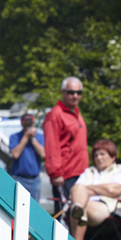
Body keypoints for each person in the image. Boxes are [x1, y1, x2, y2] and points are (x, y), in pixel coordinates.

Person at [68, 139, 121, 240]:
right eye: (96, 155)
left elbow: (113, 190)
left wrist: (86, 190)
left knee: (79, 205)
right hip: (86, 208)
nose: (98, 158)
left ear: (113, 157)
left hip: (111, 209)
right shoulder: (88, 172)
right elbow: (74, 192)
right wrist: (95, 190)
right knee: (79, 204)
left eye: (102, 154)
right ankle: (78, 211)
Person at [43, 76, 88, 216]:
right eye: (71, 92)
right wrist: (56, 173)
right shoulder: (55, 115)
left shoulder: (76, 113)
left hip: (80, 174)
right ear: (63, 93)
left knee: (79, 214)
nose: (75, 96)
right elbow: (52, 146)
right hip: (65, 175)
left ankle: (76, 239)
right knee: (65, 216)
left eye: (78, 92)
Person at [9, 113, 46, 202]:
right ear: (22, 124)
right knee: (18, 207)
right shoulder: (15, 137)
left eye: (30, 124)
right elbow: (15, 154)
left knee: (34, 209)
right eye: (26, 125)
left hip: (35, 180)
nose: (28, 127)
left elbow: (43, 154)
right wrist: (25, 137)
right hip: (19, 178)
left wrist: (33, 139)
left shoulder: (39, 137)